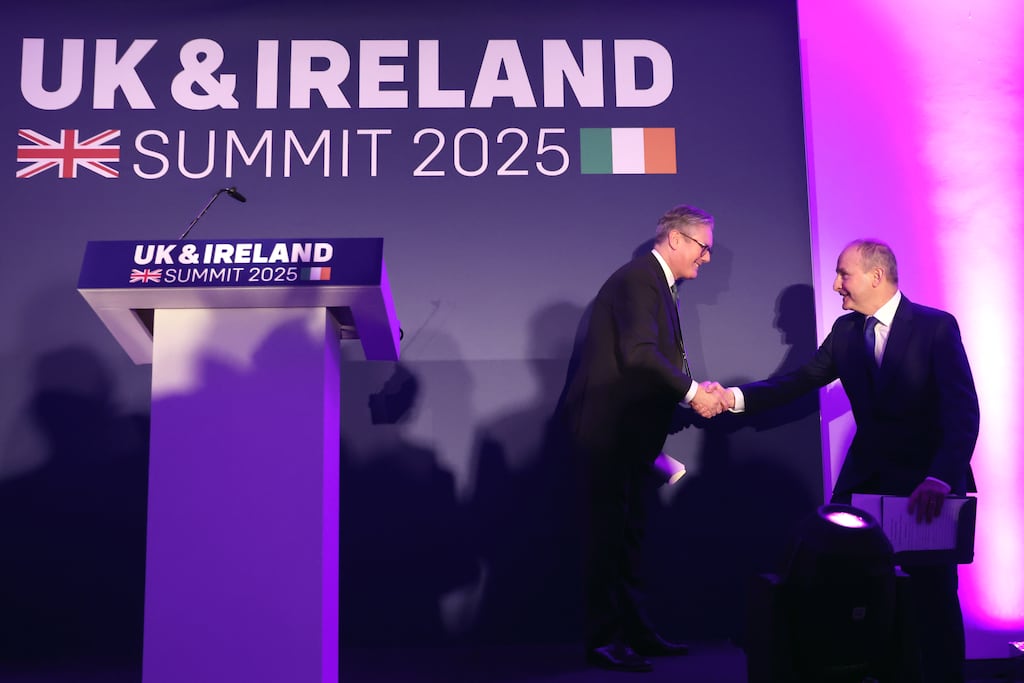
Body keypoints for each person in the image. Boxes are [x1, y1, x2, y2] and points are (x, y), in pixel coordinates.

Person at [709, 238, 979, 683]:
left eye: (843, 274)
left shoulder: (936, 327)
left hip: (926, 491)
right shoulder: (846, 333)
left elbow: (963, 412)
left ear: (876, 277)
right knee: (857, 591)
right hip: (863, 487)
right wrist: (732, 398)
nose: (836, 285)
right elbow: (798, 382)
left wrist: (938, 478)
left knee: (932, 602)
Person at [558, 204, 725, 673]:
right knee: (608, 540)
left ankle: (635, 633)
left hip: (629, 439)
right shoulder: (639, 280)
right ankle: (604, 641)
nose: (707, 259)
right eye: (703, 247)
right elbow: (638, 355)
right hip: (607, 437)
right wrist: (694, 394)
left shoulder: (656, 284)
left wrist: (694, 391)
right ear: (676, 239)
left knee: (629, 538)